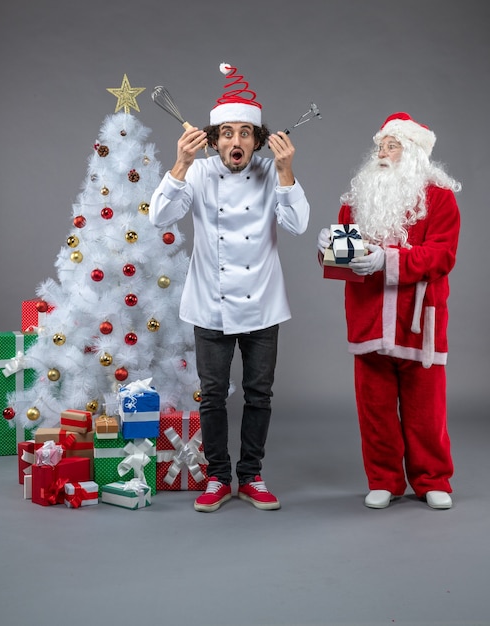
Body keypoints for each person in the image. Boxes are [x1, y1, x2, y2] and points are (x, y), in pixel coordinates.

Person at [149, 62, 310, 512]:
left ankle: (252, 476)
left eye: (244, 133)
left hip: (262, 304)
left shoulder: (270, 170)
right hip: (209, 303)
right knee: (213, 394)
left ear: (257, 141)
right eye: (226, 133)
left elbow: (297, 224)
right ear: (213, 139)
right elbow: (159, 217)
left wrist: (285, 170)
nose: (234, 142)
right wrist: (180, 162)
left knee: (260, 394)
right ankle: (219, 478)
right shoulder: (198, 173)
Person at [317, 112, 461, 510]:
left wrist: (388, 260)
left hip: (419, 321)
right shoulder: (359, 198)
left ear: (413, 152)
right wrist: (328, 245)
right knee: (375, 408)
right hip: (369, 319)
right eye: (380, 146)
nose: (382, 153)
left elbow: (441, 256)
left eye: (392, 146)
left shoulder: (440, 199)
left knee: (425, 409)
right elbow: (341, 261)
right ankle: (383, 479)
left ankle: (432, 479)